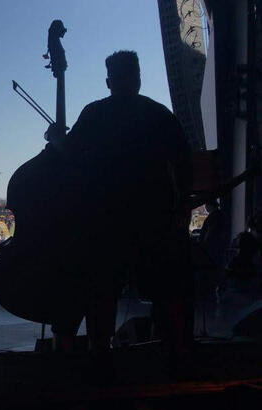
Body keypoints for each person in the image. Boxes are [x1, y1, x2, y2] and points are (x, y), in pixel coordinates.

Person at [54, 50, 193, 355]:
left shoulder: (94, 114)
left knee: (101, 295)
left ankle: (99, 356)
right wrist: (182, 205)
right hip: (154, 219)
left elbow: (67, 157)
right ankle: (171, 359)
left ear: (108, 82)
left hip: (105, 222)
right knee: (166, 294)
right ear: (139, 79)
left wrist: (56, 140)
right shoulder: (159, 115)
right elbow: (185, 165)